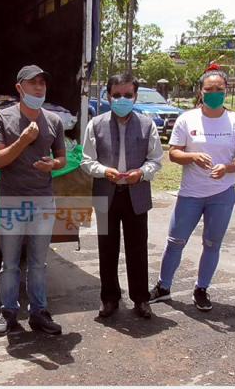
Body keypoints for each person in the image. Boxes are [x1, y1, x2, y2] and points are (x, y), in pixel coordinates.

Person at [149, 64, 235, 311]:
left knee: (212, 244)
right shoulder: (187, 119)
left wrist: (227, 168)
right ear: (201, 91)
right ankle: (163, 286)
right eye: (209, 89)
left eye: (219, 89)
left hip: (222, 194)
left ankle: (201, 288)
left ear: (226, 90)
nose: (214, 93)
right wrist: (193, 156)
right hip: (191, 194)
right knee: (175, 240)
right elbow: (174, 153)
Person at [0, 65, 66, 336]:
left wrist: (53, 164)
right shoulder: (2, 118)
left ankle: (39, 313)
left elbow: (62, 158)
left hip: (43, 200)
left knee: (38, 263)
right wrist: (23, 141)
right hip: (12, 201)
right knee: (10, 263)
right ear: (19, 88)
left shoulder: (54, 120)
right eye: (33, 83)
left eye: (42, 83)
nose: (39, 88)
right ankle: (8, 312)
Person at [81, 73, 163, 319]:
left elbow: (155, 159)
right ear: (108, 96)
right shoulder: (96, 124)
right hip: (106, 195)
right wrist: (104, 171)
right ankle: (109, 298)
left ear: (135, 96)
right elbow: (87, 161)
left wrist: (142, 173)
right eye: (117, 95)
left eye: (128, 95)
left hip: (136, 195)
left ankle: (141, 299)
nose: (122, 99)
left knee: (137, 249)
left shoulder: (147, 124)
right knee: (107, 249)